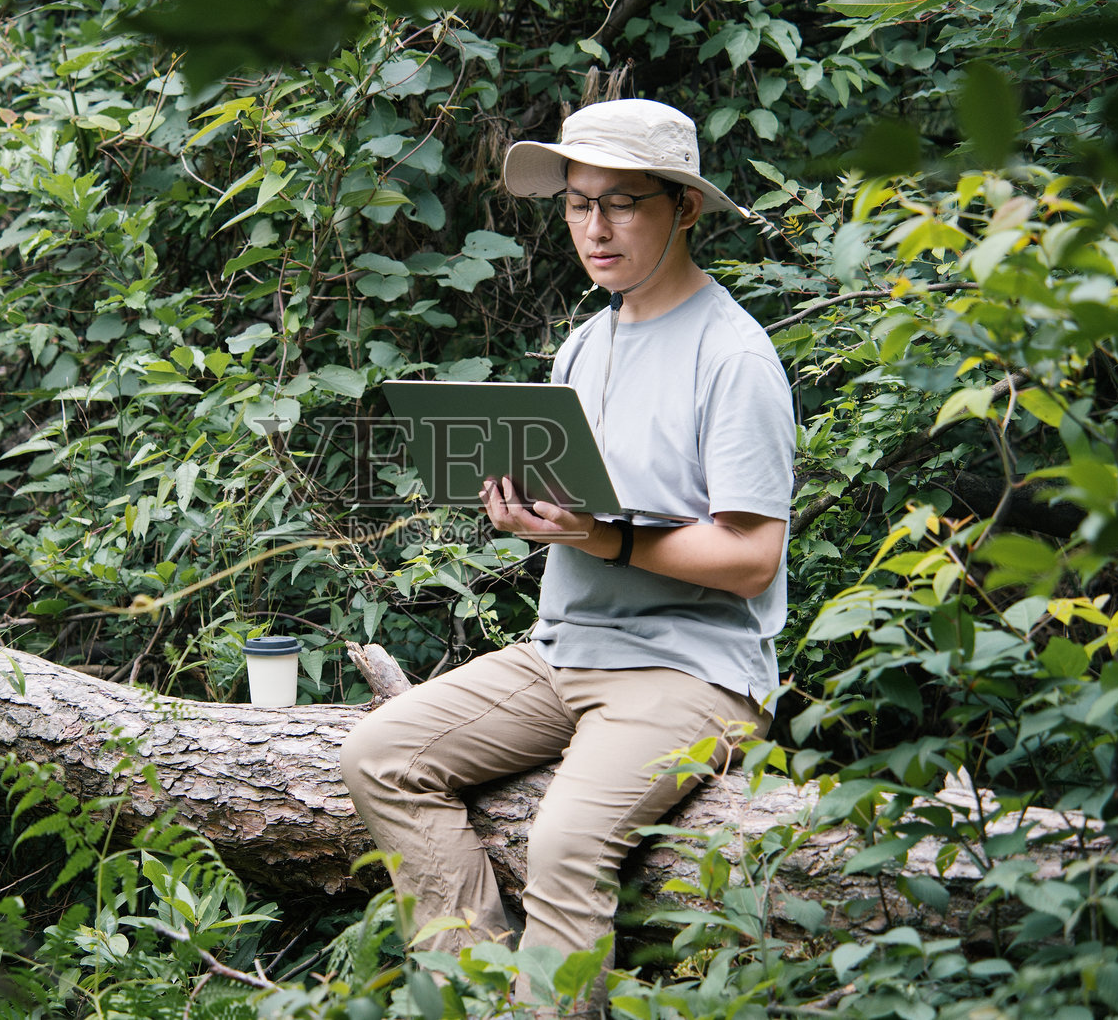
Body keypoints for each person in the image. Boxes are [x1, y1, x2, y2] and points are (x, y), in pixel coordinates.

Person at [339, 98, 795, 1012]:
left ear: (684, 208)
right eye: (579, 205)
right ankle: (479, 994)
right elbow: (580, 505)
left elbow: (753, 557)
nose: (596, 228)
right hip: (563, 652)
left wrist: (603, 535)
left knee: (562, 842)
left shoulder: (734, 355)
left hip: (691, 670)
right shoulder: (586, 344)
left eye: (621, 203)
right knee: (380, 754)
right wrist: (524, 513)